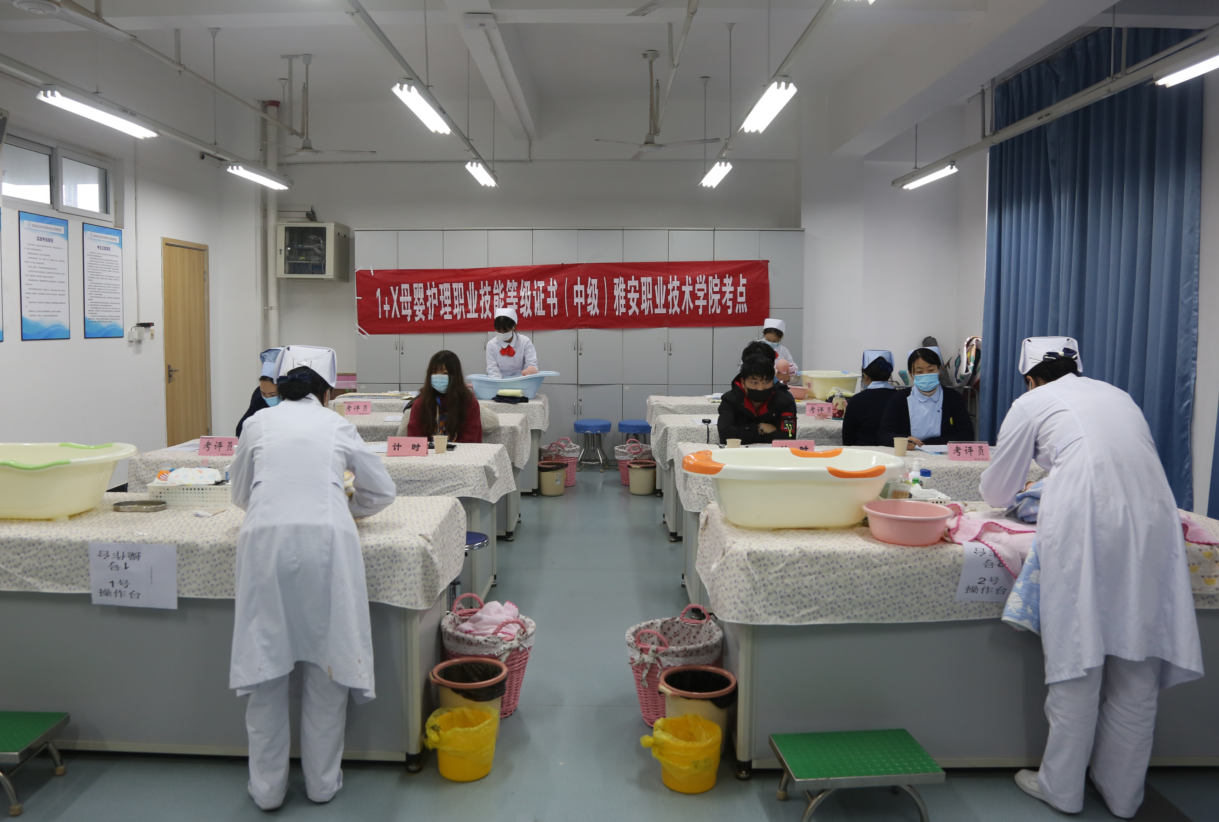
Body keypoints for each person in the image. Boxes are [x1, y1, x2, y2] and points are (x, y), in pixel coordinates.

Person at [978, 338, 1202, 818]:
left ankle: (1061, 787)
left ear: (1030, 377)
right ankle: (1123, 793)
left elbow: (996, 490)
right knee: (1136, 656)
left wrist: (1033, 482)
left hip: (1085, 517)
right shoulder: (1116, 394)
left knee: (1078, 652)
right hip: (1153, 517)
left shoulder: (1031, 402)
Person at [228, 345, 396, 811]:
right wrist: (345, 504)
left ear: (280, 387)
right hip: (328, 543)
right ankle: (322, 784)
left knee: (266, 667)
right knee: (328, 665)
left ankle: (267, 791)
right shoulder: (336, 424)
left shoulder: (258, 423)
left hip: (265, 544)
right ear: (327, 392)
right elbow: (383, 491)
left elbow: (239, 494)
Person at [878, 347, 974, 447]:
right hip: (910, 453)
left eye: (931, 370)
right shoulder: (899, 398)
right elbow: (884, 434)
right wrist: (903, 440)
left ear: (939, 370)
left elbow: (967, 435)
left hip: (943, 453)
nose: (926, 375)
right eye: (919, 372)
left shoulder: (953, 397)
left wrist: (930, 443)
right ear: (911, 374)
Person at [402, 350, 483, 443]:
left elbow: (470, 439)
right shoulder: (421, 403)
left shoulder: (469, 403)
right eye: (434, 372)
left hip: (462, 451)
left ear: (455, 376)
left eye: (445, 373)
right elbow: (415, 439)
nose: (439, 377)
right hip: (429, 451)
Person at [717, 355, 797, 445]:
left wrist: (744, 435)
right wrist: (760, 428)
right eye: (754, 383)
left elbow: (789, 435)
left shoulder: (784, 400)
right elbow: (725, 435)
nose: (760, 388)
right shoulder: (730, 399)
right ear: (743, 382)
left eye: (766, 382)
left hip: (773, 453)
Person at [842, 351, 897, 446]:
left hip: (863, 452)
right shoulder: (901, 398)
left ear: (865, 376)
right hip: (894, 451)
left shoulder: (856, 400)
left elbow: (847, 439)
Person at [236, 348, 281, 437]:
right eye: (264, 394)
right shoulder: (259, 397)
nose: (268, 398)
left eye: (273, 394)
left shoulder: (298, 400)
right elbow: (242, 429)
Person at [485, 307, 538, 378]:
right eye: (498, 331)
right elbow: (492, 369)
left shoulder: (524, 341)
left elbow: (531, 364)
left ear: (514, 327)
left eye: (505, 331)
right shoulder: (491, 345)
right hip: (500, 380)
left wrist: (528, 371)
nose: (502, 333)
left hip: (521, 380)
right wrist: (499, 383)